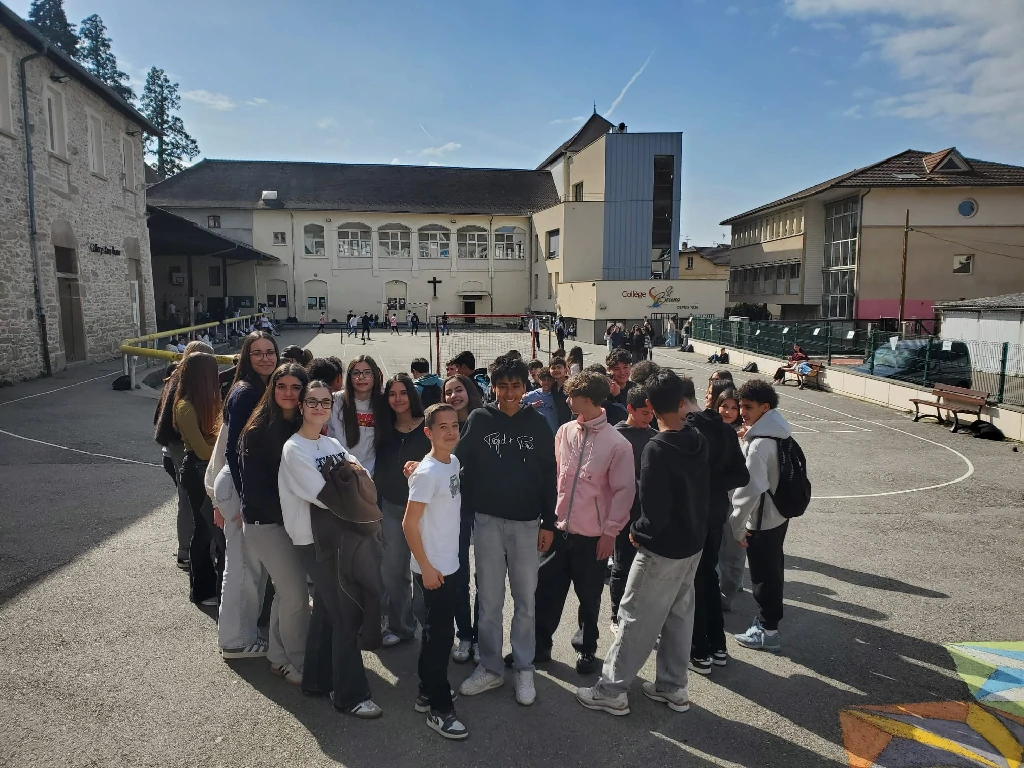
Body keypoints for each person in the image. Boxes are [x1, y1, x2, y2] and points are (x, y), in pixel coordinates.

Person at [576, 370, 709, 716]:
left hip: (661, 548)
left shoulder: (657, 448)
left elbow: (654, 508)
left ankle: (611, 689)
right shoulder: (697, 438)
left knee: (634, 615)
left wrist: (638, 531)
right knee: (679, 615)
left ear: (649, 405)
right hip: (693, 543)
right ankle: (672, 685)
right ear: (682, 402)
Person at [278, 379, 384, 718]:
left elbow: (365, 481)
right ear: (301, 405)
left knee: (327, 611)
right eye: (313, 402)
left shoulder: (331, 443)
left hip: (341, 538)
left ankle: (317, 680)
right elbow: (326, 496)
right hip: (315, 542)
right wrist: (347, 477)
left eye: (326, 402)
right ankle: (350, 695)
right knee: (345, 614)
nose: (320, 408)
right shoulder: (294, 449)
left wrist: (349, 479)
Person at [455, 358, 556, 706]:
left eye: (516, 385)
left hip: (528, 524)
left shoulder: (538, 424)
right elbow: (456, 460)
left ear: (524, 387)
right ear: (493, 387)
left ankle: (524, 668)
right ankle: (491, 667)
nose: (510, 393)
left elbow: (549, 474)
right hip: (487, 522)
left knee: (526, 601)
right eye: (503, 386)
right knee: (489, 601)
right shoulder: (480, 420)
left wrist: (550, 522)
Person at [534, 371, 635, 674]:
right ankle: (539, 647)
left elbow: (623, 492)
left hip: (593, 537)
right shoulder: (565, 431)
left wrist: (610, 533)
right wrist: (548, 522)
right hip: (559, 530)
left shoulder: (618, 444)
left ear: (587, 400)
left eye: (571, 396)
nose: (566, 400)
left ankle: (586, 648)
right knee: (545, 591)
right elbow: (555, 478)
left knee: (588, 597)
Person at [239, 362, 312, 685]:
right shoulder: (258, 431)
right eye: (282, 386)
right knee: (296, 595)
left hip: (292, 522)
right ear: (272, 389)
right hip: (266, 523)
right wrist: (292, 520)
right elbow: (255, 491)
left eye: (296, 387)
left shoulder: (302, 425)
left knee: (286, 593)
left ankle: (278, 657)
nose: (288, 393)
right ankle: (299, 661)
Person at [404, 403, 470, 740]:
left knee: (437, 635)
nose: (450, 431)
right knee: (438, 640)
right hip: (434, 571)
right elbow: (408, 525)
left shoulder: (451, 463)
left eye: (454, 424)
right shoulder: (428, 473)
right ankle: (439, 709)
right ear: (428, 432)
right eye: (441, 427)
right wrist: (427, 568)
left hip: (451, 564)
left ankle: (428, 691)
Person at [679, 378, 750, 675]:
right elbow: (741, 476)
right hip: (715, 514)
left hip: (693, 517)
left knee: (693, 584)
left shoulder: (690, 429)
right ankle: (718, 645)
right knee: (707, 577)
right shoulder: (725, 430)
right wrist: (716, 486)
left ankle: (699, 650)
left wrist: (703, 487)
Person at [220, 332, 279, 657]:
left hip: (248, 486)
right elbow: (233, 451)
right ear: (247, 356)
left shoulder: (262, 389)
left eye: (270, 352)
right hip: (242, 486)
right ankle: (235, 641)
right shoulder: (245, 392)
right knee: (243, 567)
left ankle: (244, 632)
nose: (265, 358)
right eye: (257, 353)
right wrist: (245, 497)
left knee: (250, 567)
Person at [729, 379, 793, 652]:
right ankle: (769, 624)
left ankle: (768, 632)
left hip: (762, 519)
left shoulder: (758, 445)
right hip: (779, 514)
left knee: (763, 576)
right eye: (741, 406)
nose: (743, 412)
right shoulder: (780, 431)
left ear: (765, 407)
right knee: (774, 569)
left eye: (748, 407)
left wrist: (736, 525)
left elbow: (748, 491)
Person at [375, 374, 431, 648]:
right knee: (393, 571)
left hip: (425, 512)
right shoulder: (384, 429)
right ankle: (402, 625)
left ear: (412, 395)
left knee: (424, 571)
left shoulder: (427, 428)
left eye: (403, 393)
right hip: (392, 508)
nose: (397, 399)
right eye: (392, 394)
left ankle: (430, 625)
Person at [154, 340, 215, 570]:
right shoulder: (182, 387)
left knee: (189, 500)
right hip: (178, 446)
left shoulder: (179, 376)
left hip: (175, 444)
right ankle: (186, 552)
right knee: (189, 501)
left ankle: (189, 550)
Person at [173, 352, 224, 606]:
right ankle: (201, 590)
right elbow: (203, 450)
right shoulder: (185, 407)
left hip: (208, 468)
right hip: (196, 470)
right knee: (203, 532)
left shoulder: (208, 403)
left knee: (211, 532)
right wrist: (220, 441)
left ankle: (211, 582)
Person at [442, 374, 485, 664]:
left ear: (469, 391)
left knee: (486, 576)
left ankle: (483, 636)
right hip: (453, 509)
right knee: (457, 575)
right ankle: (465, 635)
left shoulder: (483, 420)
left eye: (459, 390)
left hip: (484, 506)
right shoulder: (440, 424)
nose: (454, 395)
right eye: (448, 392)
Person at [609, 384, 656, 632]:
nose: (648, 419)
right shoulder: (616, 436)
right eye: (644, 414)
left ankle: (639, 613)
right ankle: (616, 615)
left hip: (647, 515)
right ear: (630, 409)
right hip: (624, 514)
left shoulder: (654, 435)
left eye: (651, 414)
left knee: (645, 568)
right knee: (622, 565)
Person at [327, 356, 388, 474]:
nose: (361, 377)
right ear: (349, 378)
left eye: (367, 372)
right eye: (356, 373)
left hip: (371, 475)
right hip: (339, 473)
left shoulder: (384, 403)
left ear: (375, 375)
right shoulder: (335, 401)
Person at [520, 367, 558, 434]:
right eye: (543, 380)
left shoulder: (557, 396)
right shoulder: (530, 396)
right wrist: (530, 406)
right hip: (536, 434)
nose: (546, 382)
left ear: (553, 380)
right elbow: (518, 409)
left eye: (549, 380)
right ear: (539, 380)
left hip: (553, 435)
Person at [547, 357, 574, 426]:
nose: (556, 370)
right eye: (553, 368)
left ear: (565, 369)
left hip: (572, 424)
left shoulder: (572, 386)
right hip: (557, 424)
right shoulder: (552, 386)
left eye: (559, 367)